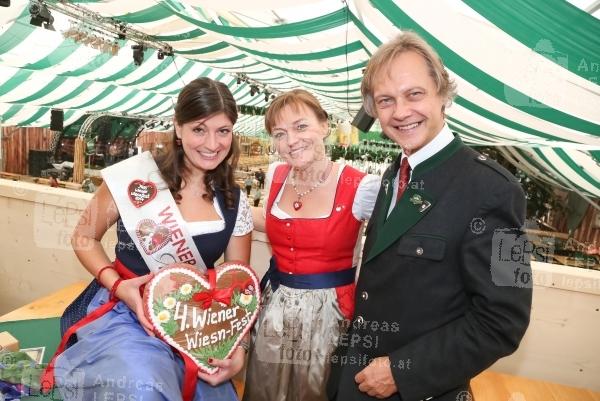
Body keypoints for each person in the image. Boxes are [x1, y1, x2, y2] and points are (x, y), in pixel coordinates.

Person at [326, 32, 532, 401]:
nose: (401, 112)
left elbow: (504, 322)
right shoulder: (394, 175)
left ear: (442, 94)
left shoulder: (499, 191)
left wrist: (402, 372)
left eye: (414, 94)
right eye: (386, 100)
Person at [48, 77, 253, 401]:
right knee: (145, 388)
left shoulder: (234, 202)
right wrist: (118, 286)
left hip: (193, 324)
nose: (212, 143)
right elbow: (84, 236)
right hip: (126, 313)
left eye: (223, 130)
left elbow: (238, 288)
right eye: (199, 129)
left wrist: (238, 347)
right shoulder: (135, 178)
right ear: (178, 127)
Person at [242, 89, 380, 401]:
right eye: (280, 133)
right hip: (275, 305)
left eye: (301, 127)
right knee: (265, 390)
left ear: (324, 126)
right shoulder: (276, 174)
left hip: (329, 312)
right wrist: (221, 205)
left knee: (315, 391)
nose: (290, 141)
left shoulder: (361, 186)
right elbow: (272, 220)